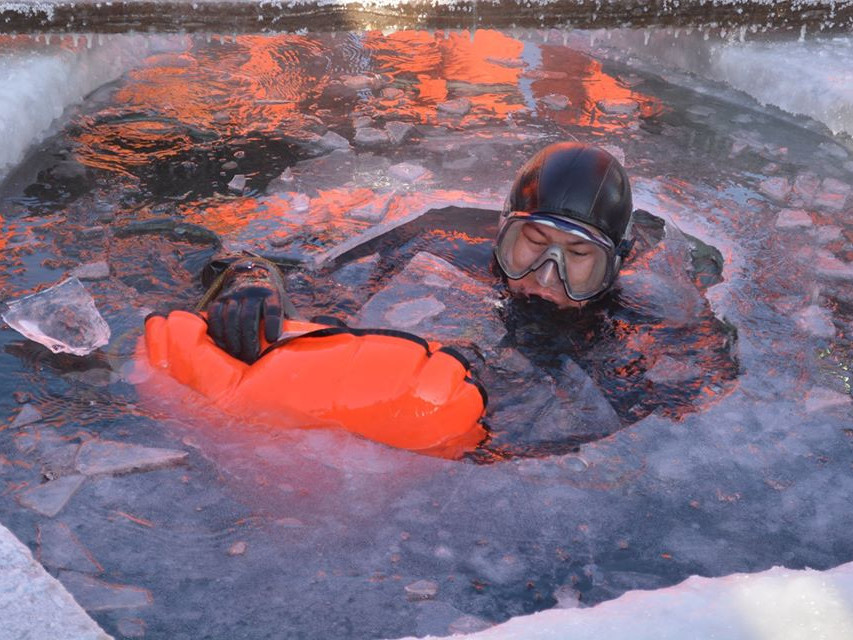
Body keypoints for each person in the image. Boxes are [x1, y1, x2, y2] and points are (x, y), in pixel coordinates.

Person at [201, 142, 636, 362]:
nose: (545, 277)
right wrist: (251, 278)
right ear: (501, 232)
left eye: (578, 255)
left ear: (613, 269)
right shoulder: (435, 253)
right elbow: (303, 276)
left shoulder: (636, 326)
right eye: (534, 243)